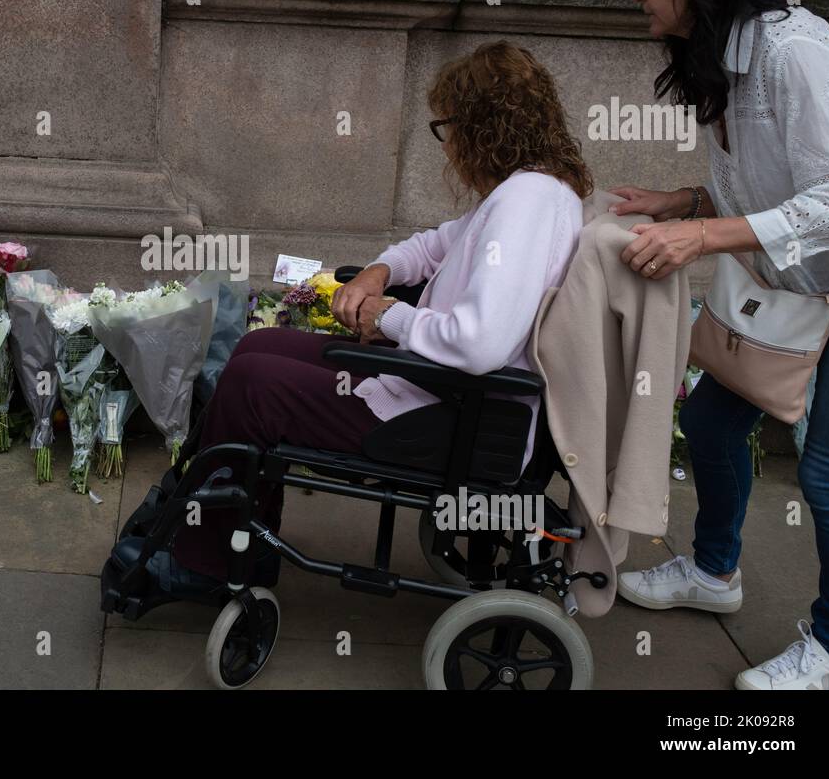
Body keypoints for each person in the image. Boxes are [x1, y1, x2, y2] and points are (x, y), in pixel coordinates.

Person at [170, 41, 591, 583]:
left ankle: (207, 564)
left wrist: (388, 314)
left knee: (255, 380)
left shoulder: (525, 204)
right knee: (258, 345)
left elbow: (479, 344)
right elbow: (438, 243)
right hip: (447, 393)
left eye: (448, 128)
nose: (448, 146)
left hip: (454, 412)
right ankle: (231, 532)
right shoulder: (532, 191)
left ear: (481, 126)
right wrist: (379, 271)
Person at [611, 0, 829, 690]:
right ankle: (715, 575)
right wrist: (682, 204)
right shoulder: (727, 61)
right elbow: (765, 185)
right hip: (803, 288)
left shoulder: (796, 56)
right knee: (711, 420)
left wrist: (702, 238)